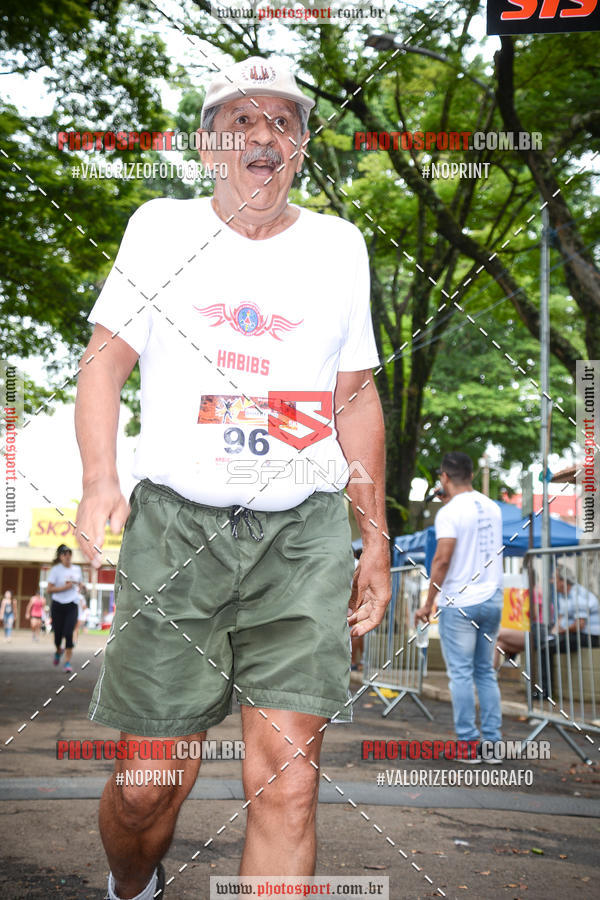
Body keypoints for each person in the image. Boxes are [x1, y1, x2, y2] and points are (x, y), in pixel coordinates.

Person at [74, 55, 390, 900]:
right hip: (178, 527)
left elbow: (354, 397)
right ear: (210, 147)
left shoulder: (338, 246)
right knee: (148, 789)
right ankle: (133, 886)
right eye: (242, 122)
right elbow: (104, 361)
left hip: (302, 534)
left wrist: (377, 539)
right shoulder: (161, 228)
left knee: (287, 785)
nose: (263, 136)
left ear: (302, 148)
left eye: (283, 122)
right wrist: (99, 478)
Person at [415, 452, 504, 763]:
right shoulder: (492, 507)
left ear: (444, 478)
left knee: (461, 674)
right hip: (492, 596)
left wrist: (428, 603)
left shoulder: (450, 513)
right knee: (485, 672)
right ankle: (493, 745)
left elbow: (442, 560)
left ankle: (468, 744)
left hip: (460, 602)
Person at [536, 567, 600, 698]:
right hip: (572, 633)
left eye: (554, 578)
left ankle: (545, 692)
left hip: (589, 636)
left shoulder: (578, 595)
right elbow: (561, 618)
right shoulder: (562, 594)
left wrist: (560, 631)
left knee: (546, 648)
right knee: (542, 636)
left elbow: (580, 625)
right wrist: (553, 632)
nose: (551, 581)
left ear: (563, 581)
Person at [47, 544, 82, 673]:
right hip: (57, 605)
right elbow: (49, 589)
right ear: (60, 556)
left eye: (69, 553)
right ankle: (58, 650)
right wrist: (64, 588)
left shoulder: (77, 569)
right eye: (64, 553)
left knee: (68, 633)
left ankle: (67, 663)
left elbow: (80, 584)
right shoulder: (56, 570)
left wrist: (83, 587)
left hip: (72, 604)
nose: (67, 556)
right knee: (58, 635)